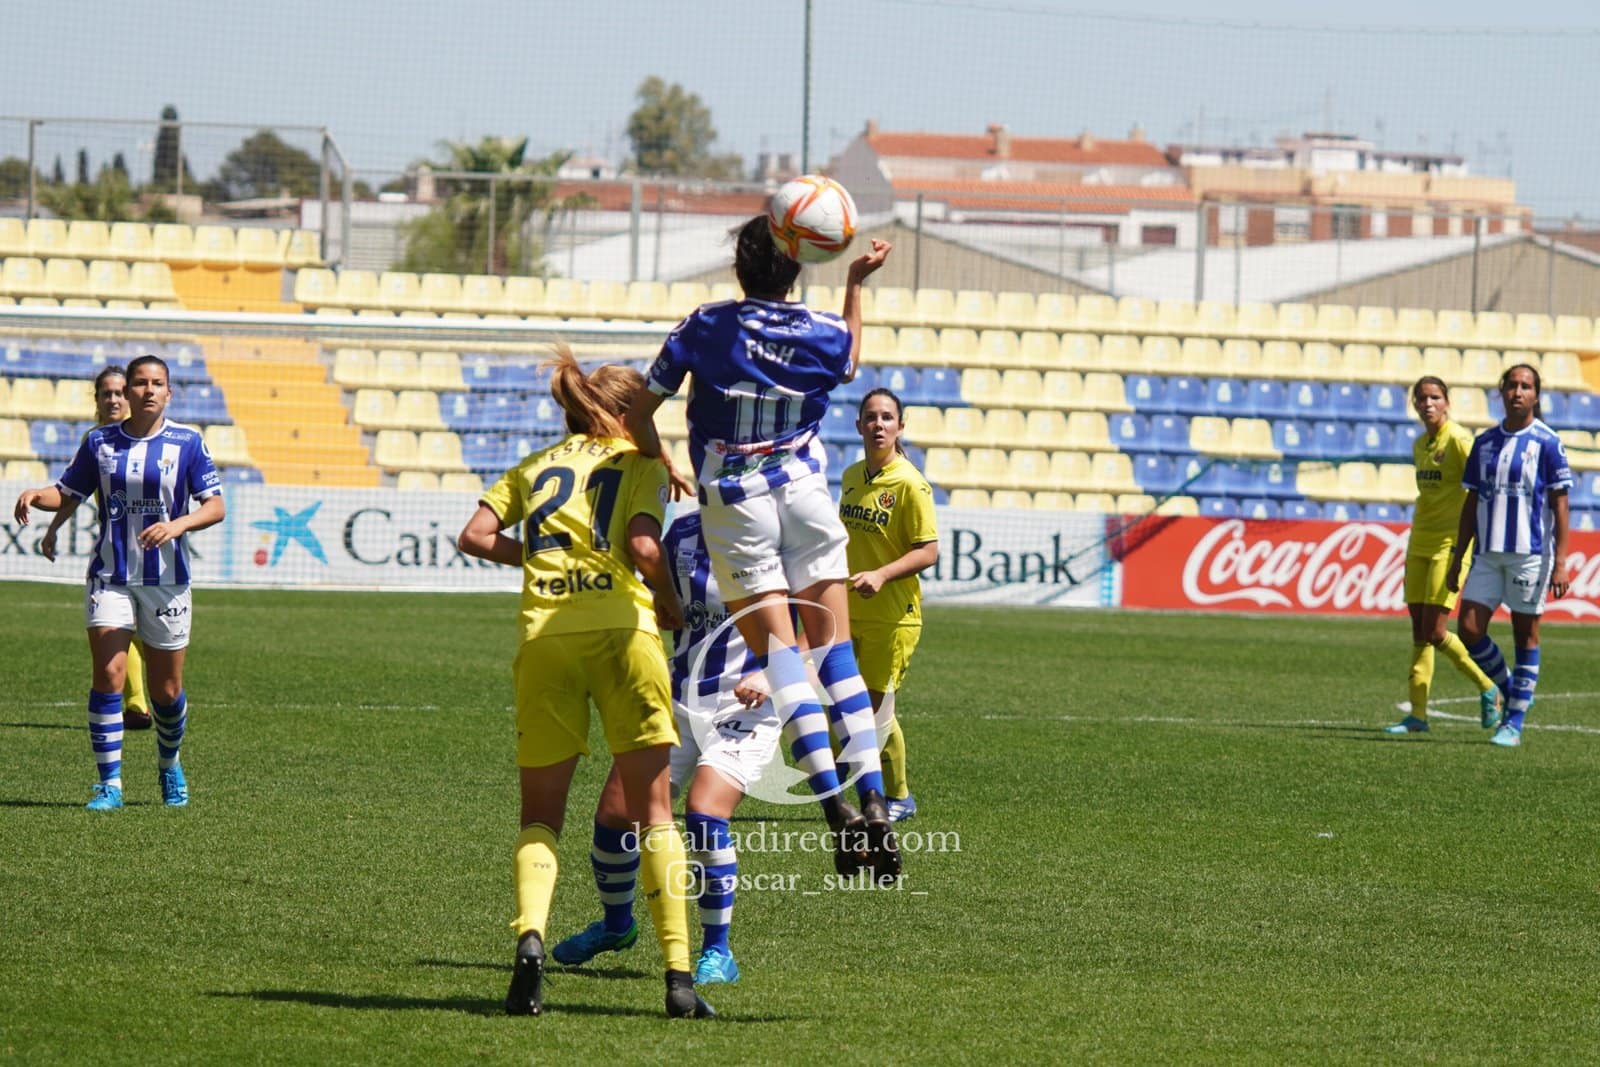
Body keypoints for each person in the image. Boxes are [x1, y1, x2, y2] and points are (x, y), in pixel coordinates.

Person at [625, 218, 902, 883]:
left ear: (740, 266)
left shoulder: (706, 326)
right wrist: (856, 286)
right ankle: (875, 803)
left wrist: (660, 457)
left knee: (782, 655)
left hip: (736, 501)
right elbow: (851, 357)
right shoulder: (820, 329)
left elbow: (641, 408)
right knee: (833, 649)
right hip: (806, 492)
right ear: (799, 263)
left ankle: (836, 810)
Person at [455, 346, 712, 1020]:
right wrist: (668, 602)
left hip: (546, 640)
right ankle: (679, 977)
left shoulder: (536, 466)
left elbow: (474, 534)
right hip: (622, 635)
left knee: (540, 816)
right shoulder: (639, 463)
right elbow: (647, 548)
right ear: (630, 414)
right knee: (656, 813)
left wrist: (537, 558)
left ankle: (530, 942)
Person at [551, 508, 785, 986]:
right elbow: (666, 606)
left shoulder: (770, 531)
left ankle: (718, 952)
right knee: (616, 813)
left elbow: (818, 619)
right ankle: (616, 926)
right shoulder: (679, 533)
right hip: (678, 698)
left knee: (704, 814)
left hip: (748, 703)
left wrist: (769, 669)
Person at [12, 355, 225, 810]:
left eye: (158, 384)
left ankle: (169, 764)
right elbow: (68, 491)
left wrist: (176, 525)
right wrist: (36, 494)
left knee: (166, 692)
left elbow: (215, 506)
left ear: (169, 393)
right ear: (126, 392)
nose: (148, 390)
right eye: (140, 383)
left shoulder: (188, 443)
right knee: (108, 676)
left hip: (167, 582)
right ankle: (109, 784)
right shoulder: (101, 443)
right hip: (110, 576)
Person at [15, 365, 155, 730]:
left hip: (155, 552)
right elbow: (72, 494)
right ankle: (138, 704)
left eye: (119, 392)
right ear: (96, 400)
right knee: (122, 625)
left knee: (141, 631)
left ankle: (147, 702)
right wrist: (54, 528)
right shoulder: (95, 442)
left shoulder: (154, 438)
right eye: (106, 393)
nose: (113, 399)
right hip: (115, 550)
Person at [1446, 363, 1571, 748]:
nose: (1518, 392)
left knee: (1525, 635)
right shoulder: (1484, 443)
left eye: (1526, 386)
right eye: (1512, 385)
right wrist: (1457, 557)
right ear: (1501, 392)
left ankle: (1513, 722)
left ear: (1536, 395)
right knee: (1468, 627)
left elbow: (1561, 503)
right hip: (1486, 553)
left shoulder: (1547, 442)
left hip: (1529, 553)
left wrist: (1561, 560)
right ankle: (1509, 689)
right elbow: (1470, 504)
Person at [837, 387, 939, 820]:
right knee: (841, 702)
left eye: (887, 418)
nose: (879, 424)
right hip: (847, 611)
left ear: (900, 426)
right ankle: (852, 782)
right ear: (859, 425)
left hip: (893, 617)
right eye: (871, 417)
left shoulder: (911, 484)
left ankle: (898, 796)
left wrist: (880, 575)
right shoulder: (851, 476)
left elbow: (928, 551)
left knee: (876, 710)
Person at [1384, 376, 1501, 735]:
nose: (1428, 403)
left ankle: (1489, 686)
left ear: (1447, 401)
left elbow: (1485, 485)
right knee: (1420, 631)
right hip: (1419, 542)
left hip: (1450, 546)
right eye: (1421, 398)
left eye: (1434, 397)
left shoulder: (1461, 441)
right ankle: (1418, 716)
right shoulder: (1421, 444)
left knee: (1436, 631)